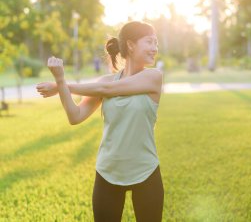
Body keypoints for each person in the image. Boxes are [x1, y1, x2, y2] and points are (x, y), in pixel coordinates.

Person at [36, 21, 164, 222]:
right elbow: (75, 116)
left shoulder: (154, 77)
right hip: (108, 172)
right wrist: (60, 82)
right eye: (149, 42)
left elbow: (108, 91)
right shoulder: (105, 81)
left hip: (145, 171)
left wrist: (62, 85)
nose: (155, 48)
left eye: (156, 43)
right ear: (130, 45)